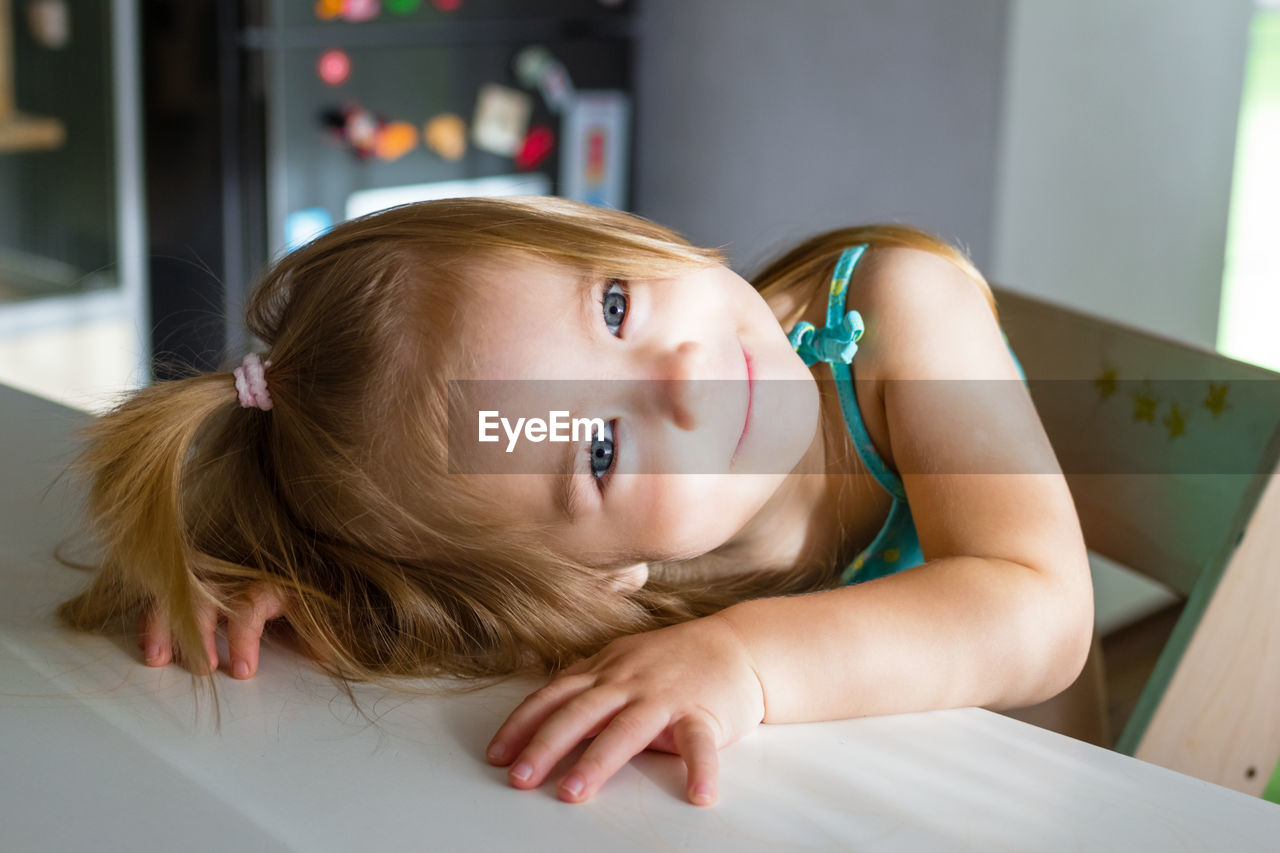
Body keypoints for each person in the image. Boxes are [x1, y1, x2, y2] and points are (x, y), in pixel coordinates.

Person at [57, 196, 1093, 807]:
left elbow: (1041, 616)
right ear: (593, 576)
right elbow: (463, 619)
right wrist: (305, 590)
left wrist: (745, 661)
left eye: (613, 305)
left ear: (617, 229)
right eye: (598, 449)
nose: (684, 380)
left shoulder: (898, 308)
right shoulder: (589, 586)